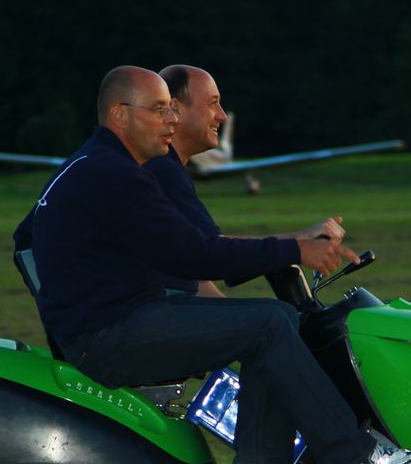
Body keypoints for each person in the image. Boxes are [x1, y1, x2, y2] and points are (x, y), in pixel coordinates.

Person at [20, 66, 411, 464]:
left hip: (106, 326)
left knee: (268, 321)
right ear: (120, 114)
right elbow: (196, 255)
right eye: (159, 110)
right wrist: (293, 248)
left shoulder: (92, 166)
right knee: (270, 322)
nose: (171, 121)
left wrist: (64, 318)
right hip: (110, 334)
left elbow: (22, 241)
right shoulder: (114, 174)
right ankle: (352, 462)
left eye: (171, 110)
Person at [146, 64, 342, 297]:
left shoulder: (164, 167)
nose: (221, 115)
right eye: (212, 103)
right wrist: (299, 244)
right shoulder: (161, 169)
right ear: (176, 109)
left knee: (269, 318)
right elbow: (211, 253)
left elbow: (195, 274)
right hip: (140, 315)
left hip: (154, 302)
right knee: (277, 320)